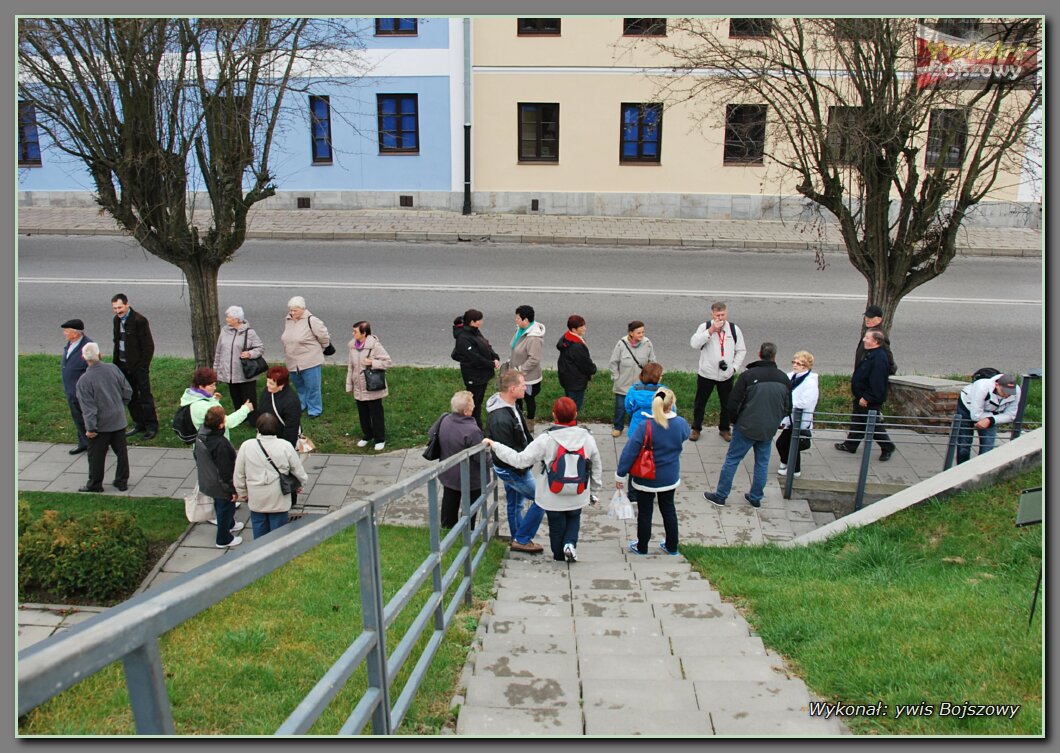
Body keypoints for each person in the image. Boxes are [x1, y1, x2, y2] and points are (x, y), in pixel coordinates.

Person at [484, 397, 602, 563]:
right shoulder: (587, 438)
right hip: (578, 492)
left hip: (552, 494)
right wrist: (594, 491)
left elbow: (520, 460)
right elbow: (596, 466)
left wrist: (495, 445)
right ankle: (570, 544)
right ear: (575, 414)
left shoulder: (546, 440)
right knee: (574, 518)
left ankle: (559, 556)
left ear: (554, 415)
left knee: (556, 525)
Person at [704, 343, 791, 509]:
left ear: (759, 354)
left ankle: (721, 495)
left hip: (745, 427)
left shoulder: (749, 376)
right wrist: (774, 421)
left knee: (732, 460)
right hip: (767, 429)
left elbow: (733, 403)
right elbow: (787, 407)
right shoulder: (783, 378)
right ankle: (756, 497)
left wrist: (736, 421)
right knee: (762, 463)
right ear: (775, 356)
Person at [617, 388, 691, 556]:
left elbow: (630, 452)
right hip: (669, 477)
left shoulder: (645, 426)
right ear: (672, 404)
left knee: (645, 512)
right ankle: (672, 546)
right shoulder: (680, 423)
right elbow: (685, 435)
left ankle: (642, 546)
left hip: (646, 477)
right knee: (668, 509)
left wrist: (620, 473)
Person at [485, 370, 545, 554]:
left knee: (515, 504)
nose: (525, 388)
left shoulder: (511, 406)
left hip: (516, 467)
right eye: (522, 385)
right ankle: (522, 538)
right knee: (542, 499)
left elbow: (523, 435)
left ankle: (517, 536)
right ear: (512, 389)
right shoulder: (500, 418)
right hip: (514, 469)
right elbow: (508, 453)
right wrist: (527, 460)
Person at [234, 414, 309, 540]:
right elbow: (297, 469)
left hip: (256, 496)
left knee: (259, 529)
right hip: (278, 495)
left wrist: (242, 492)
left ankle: (260, 553)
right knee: (279, 533)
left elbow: (239, 473)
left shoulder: (246, 446)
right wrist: (301, 484)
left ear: (257, 429)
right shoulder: (285, 445)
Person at [74, 342, 132, 493]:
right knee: (121, 453)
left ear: (83, 358)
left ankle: (95, 484)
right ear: (100, 355)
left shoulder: (84, 381)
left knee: (96, 456)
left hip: (100, 425)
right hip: (118, 420)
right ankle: (122, 481)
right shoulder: (113, 369)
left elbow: (88, 408)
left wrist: (90, 428)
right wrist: (119, 406)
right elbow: (127, 390)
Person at [834, 330, 897, 461]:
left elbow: (877, 382)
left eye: (867, 338)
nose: (864, 340)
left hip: (868, 399)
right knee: (858, 421)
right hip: (861, 397)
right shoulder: (872, 354)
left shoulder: (879, 359)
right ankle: (850, 445)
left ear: (876, 342)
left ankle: (887, 446)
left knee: (872, 425)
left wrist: (867, 397)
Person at [688, 301, 746, 442]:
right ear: (712, 314)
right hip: (706, 374)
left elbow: (741, 350)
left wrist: (733, 368)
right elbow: (694, 344)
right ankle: (696, 428)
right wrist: (711, 331)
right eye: (718, 315)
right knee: (700, 402)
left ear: (726, 313)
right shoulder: (705, 327)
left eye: (723, 315)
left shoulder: (733, 329)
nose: (721, 318)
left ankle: (725, 429)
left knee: (727, 403)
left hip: (726, 375)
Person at [194, 406, 245, 549]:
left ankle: (231, 524)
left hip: (208, 479)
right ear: (221, 424)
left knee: (220, 505)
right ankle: (223, 538)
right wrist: (232, 490)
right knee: (225, 507)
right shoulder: (220, 444)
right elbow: (226, 470)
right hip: (219, 483)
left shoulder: (202, 434)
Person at [437, 390, 488, 530]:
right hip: (469, 478)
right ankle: (467, 532)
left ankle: (447, 530)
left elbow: (433, 435)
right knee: (470, 509)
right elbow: (481, 457)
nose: (474, 407)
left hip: (448, 473)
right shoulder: (472, 430)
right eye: (472, 406)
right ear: (466, 411)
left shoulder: (445, 419)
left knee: (449, 504)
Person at [111, 292, 159, 439]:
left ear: (127, 304)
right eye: (115, 308)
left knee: (144, 396)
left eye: (120, 307)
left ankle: (151, 426)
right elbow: (117, 341)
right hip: (123, 366)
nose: (118, 311)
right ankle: (139, 423)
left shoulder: (139, 321)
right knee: (130, 396)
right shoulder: (117, 320)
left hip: (138, 367)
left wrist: (143, 366)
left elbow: (148, 346)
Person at [213, 305, 264, 424]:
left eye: (229, 317)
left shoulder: (249, 333)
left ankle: (253, 420)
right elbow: (219, 351)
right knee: (235, 396)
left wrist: (250, 354)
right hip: (229, 373)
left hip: (244, 372)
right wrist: (216, 369)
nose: (226, 319)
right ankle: (239, 418)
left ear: (237, 319)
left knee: (249, 396)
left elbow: (260, 348)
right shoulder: (224, 331)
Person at [346, 321, 393, 451]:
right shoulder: (352, 346)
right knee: (363, 413)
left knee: (376, 413)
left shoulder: (375, 346)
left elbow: (388, 362)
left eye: (355, 331)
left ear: (364, 333)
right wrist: (349, 385)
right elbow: (351, 367)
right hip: (359, 386)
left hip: (372, 386)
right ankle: (367, 435)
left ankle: (380, 438)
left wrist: (372, 362)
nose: (353, 333)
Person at [954, 372, 1020, 465]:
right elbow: (976, 415)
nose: (1007, 395)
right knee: (964, 445)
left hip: (991, 414)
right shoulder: (982, 386)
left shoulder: (1016, 391)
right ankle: (961, 471)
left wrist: (991, 420)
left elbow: (1011, 415)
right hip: (966, 408)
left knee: (988, 446)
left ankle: (981, 471)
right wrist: (994, 418)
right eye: (1004, 391)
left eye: (1009, 393)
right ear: (996, 384)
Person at [281, 296, 331, 418]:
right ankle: (302, 404)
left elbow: (323, 335)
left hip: (310, 360)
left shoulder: (312, 320)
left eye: (295, 310)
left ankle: (314, 410)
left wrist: (324, 347)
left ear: (303, 309)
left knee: (312, 386)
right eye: (290, 310)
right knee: (299, 386)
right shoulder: (288, 320)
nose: (292, 313)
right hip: (293, 361)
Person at [451, 309, 500, 426]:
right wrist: (491, 364)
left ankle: (476, 424)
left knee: (478, 402)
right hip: (473, 376)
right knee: (473, 404)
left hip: (481, 374)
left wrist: (494, 356)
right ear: (472, 322)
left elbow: (486, 345)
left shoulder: (475, 331)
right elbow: (475, 358)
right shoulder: (463, 338)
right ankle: (472, 425)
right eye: (480, 320)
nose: (482, 322)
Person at [775, 351, 819, 479]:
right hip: (790, 418)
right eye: (794, 362)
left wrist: (789, 403)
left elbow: (806, 402)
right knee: (783, 443)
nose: (795, 365)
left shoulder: (810, 383)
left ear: (806, 366)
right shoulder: (791, 376)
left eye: (799, 364)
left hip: (799, 419)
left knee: (792, 445)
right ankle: (785, 462)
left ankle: (795, 470)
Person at [608, 320, 656, 437]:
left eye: (643, 332)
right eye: (638, 333)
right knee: (620, 407)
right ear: (631, 333)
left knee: (636, 407)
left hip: (639, 385)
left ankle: (633, 428)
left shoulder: (648, 344)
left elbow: (653, 362)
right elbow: (613, 362)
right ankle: (618, 427)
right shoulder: (621, 344)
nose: (642, 335)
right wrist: (616, 377)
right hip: (622, 384)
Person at [180, 366, 253, 439]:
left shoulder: (193, 397)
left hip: (203, 443)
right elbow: (227, 422)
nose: (214, 388)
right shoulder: (203, 407)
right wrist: (245, 409)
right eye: (211, 385)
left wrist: (213, 399)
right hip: (214, 445)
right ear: (201, 386)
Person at [509, 305, 546, 431]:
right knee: (517, 398)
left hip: (528, 378)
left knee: (529, 400)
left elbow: (534, 359)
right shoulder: (520, 330)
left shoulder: (534, 338)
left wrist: (520, 369)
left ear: (526, 320)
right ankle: (519, 419)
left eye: (518, 318)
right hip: (516, 374)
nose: (516, 320)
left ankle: (530, 422)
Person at [60, 318, 92, 455]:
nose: (64, 333)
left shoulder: (88, 347)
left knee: (88, 418)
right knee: (78, 418)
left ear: (76, 333)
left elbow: (92, 369)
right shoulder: (70, 344)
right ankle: (84, 442)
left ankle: (95, 445)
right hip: (71, 390)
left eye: (66, 331)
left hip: (82, 392)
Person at [556, 314, 597, 412]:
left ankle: (569, 423)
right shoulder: (577, 346)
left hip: (567, 378)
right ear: (574, 329)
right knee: (574, 409)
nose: (585, 328)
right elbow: (585, 364)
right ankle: (572, 425)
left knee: (569, 405)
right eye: (581, 326)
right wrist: (593, 369)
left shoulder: (567, 337)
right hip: (576, 382)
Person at [258, 365, 302, 449]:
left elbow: (291, 429)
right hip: (265, 437)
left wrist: (286, 448)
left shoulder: (291, 402)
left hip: (281, 440)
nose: (267, 385)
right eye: (267, 381)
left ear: (282, 385)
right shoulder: (267, 392)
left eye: (271, 383)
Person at [624, 362, 668, 440]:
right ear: (657, 377)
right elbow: (671, 410)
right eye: (661, 375)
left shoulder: (633, 390)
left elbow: (628, 407)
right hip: (658, 430)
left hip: (637, 429)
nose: (662, 377)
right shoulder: (665, 392)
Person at [855, 305, 897, 374]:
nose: (867, 319)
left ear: (879, 320)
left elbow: (888, 356)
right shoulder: (868, 331)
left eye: (871, 317)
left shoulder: (879, 335)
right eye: (866, 316)